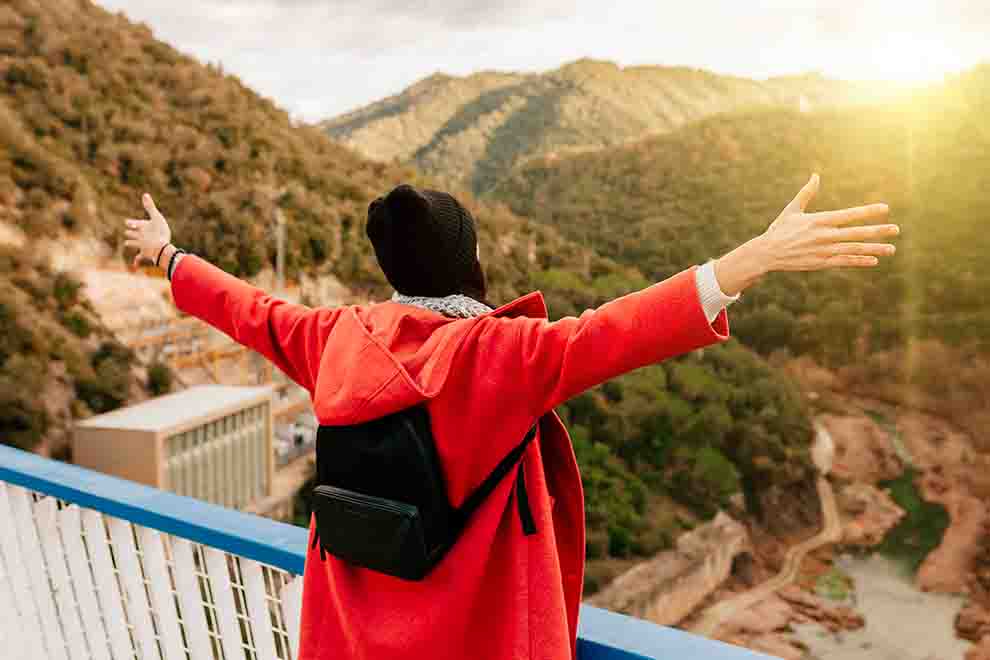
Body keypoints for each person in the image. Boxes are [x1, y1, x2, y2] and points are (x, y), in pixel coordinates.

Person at [123, 174, 898, 660]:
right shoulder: (500, 356)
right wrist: (747, 261)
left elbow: (248, 309)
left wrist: (167, 256)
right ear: (467, 258)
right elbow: (619, 329)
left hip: (354, 639)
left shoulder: (331, 337)